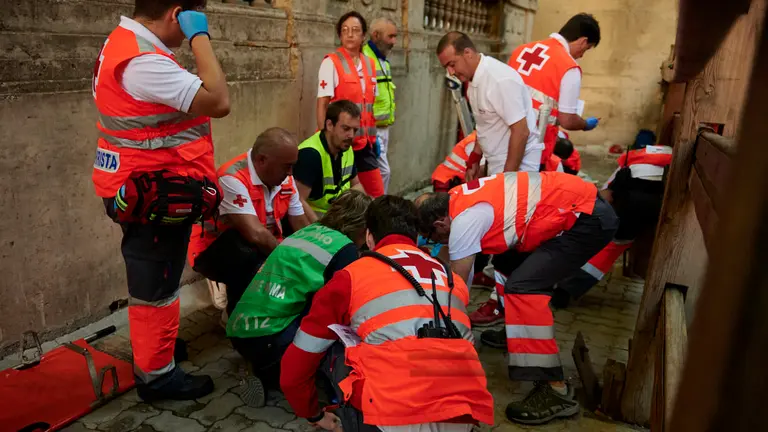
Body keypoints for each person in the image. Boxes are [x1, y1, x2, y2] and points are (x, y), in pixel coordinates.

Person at [91, 0, 229, 401]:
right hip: (150, 193)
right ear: (177, 13)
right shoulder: (143, 62)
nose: (189, 33)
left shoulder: (129, 45)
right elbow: (219, 100)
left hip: (141, 183)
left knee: (159, 278)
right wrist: (201, 36)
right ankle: (156, 376)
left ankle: (157, 352)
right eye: (190, 21)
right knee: (156, 285)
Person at [416, 172, 618, 425]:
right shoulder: (457, 200)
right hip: (576, 207)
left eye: (435, 239)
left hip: (585, 220)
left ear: (439, 225)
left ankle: (554, 388)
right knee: (506, 261)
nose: (438, 244)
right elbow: (452, 258)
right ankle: (516, 330)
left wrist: (444, 336)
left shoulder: (465, 220)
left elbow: (458, 288)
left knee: (523, 288)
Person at [280, 196, 495, 432]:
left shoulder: (350, 277)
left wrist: (312, 413)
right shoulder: (449, 277)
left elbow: (296, 365)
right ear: (415, 237)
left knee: (336, 344)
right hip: (461, 414)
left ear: (370, 237)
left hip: (391, 418)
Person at [226, 190, 371, 393]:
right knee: (337, 328)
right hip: (272, 339)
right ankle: (273, 375)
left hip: (241, 331)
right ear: (362, 226)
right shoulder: (344, 248)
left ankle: (258, 366)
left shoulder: (306, 232)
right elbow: (347, 302)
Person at [188, 127, 311, 314]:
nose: (291, 173)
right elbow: (256, 234)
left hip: (256, 238)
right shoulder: (231, 178)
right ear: (262, 160)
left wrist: (313, 256)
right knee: (254, 263)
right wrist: (291, 264)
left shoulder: (285, 176)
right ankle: (237, 320)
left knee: (295, 247)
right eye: (287, 166)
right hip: (212, 248)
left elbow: (301, 224)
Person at [552, 140, 672, 307]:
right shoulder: (675, 157)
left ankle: (563, 289)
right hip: (661, 206)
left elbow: (607, 194)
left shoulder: (632, 158)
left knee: (604, 247)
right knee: (613, 246)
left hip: (629, 206)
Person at [436, 31, 543, 178]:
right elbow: (486, 124)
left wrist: (507, 179)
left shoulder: (499, 80)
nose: (450, 72)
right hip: (497, 160)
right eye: (446, 68)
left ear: (467, 53)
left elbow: (521, 131)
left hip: (517, 165)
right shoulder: (473, 80)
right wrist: (475, 157)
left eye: (452, 64)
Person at [507, 13, 602, 169]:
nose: (582, 55)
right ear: (583, 41)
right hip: (533, 146)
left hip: (503, 135)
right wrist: (585, 124)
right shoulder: (569, 67)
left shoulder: (522, 50)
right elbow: (567, 120)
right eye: (587, 48)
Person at [317, 11, 384, 198]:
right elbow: (322, 103)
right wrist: (325, 138)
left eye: (355, 30)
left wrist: (374, 138)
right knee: (345, 197)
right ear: (340, 35)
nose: (349, 34)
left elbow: (370, 105)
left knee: (376, 194)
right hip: (340, 143)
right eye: (345, 30)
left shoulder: (371, 64)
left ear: (363, 36)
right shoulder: (331, 62)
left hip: (365, 144)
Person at [295, 100, 366, 220]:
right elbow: (297, 200)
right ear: (329, 125)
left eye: (354, 130)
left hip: (334, 214)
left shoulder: (345, 147)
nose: (351, 135)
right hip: (314, 218)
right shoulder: (310, 154)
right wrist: (320, 230)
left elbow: (356, 185)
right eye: (346, 128)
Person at [362, 17, 398, 193]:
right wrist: (369, 132)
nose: (394, 42)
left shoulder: (383, 60)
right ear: (375, 35)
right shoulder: (365, 58)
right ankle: (379, 212)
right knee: (383, 172)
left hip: (384, 128)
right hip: (372, 129)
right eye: (390, 36)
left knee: (378, 173)